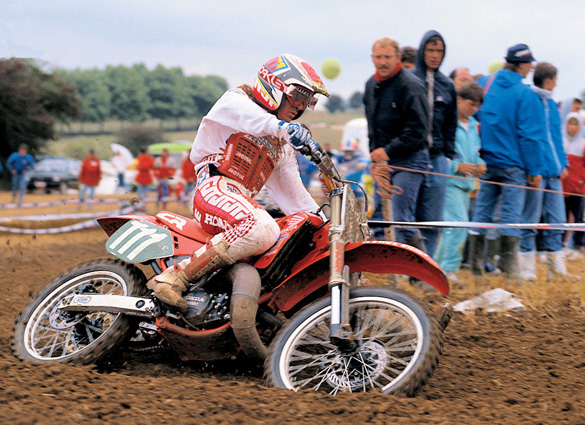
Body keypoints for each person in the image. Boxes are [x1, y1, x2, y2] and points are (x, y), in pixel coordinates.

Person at [151, 53, 330, 311]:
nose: (300, 108)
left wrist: (327, 228)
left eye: (307, 102)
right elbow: (253, 119)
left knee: (294, 235)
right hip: (213, 189)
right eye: (298, 97)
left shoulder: (281, 144)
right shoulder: (235, 101)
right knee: (262, 228)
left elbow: (295, 198)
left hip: (242, 200)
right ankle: (174, 277)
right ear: (275, 86)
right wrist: (284, 129)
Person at [469, 43, 546, 280]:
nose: (532, 67)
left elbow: (474, 116)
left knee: (481, 213)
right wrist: (535, 170)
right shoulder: (525, 94)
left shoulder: (486, 84)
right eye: (530, 62)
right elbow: (530, 136)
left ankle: (475, 268)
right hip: (514, 165)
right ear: (521, 65)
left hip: (487, 161)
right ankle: (510, 272)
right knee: (511, 217)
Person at [363, 37, 430, 251]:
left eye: (387, 57)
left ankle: (420, 274)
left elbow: (419, 130)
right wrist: (375, 156)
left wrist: (388, 151)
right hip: (383, 160)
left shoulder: (410, 85)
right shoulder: (370, 84)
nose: (383, 62)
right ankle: (389, 271)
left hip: (410, 159)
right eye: (378, 57)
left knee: (402, 219)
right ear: (372, 58)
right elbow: (372, 127)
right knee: (381, 218)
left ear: (398, 58)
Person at [516, 62, 569, 280]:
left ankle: (556, 268)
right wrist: (533, 168)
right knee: (530, 220)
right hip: (537, 172)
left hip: (555, 173)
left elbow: (557, 138)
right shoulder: (531, 100)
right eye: (555, 79)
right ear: (548, 79)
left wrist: (563, 163)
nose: (557, 83)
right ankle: (527, 269)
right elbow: (530, 137)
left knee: (557, 220)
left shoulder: (552, 106)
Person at [412, 30, 458, 258]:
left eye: (439, 51)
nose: (435, 55)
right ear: (422, 51)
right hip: (411, 156)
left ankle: (425, 265)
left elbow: (451, 123)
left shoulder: (447, 85)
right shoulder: (409, 79)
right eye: (430, 50)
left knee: (433, 217)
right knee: (407, 216)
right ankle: (408, 263)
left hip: (438, 158)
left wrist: (448, 155)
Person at [435, 82, 486, 283]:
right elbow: (440, 152)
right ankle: (448, 269)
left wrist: (480, 164)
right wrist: (456, 167)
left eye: (477, 106)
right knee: (458, 226)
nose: (473, 109)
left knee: (453, 226)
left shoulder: (473, 125)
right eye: (470, 104)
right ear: (459, 100)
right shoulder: (448, 122)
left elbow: (475, 152)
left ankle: (439, 267)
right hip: (449, 182)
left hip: (466, 184)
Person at [561, 112, 585, 258]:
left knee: (578, 216)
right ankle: (561, 244)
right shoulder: (561, 142)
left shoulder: (582, 144)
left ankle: (579, 244)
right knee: (561, 216)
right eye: (571, 123)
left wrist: (581, 181)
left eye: (576, 124)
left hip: (578, 188)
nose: (573, 127)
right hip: (562, 187)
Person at [333, 138, 370, 212]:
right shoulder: (339, 157)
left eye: (350, 151)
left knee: (360, 202)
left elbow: (364, 162)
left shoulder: (359, 157)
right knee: (340, 203)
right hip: (343, 185)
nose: (348, 153)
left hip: (357, 184)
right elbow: (332, 163)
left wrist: (362, 164)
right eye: (346, 151)